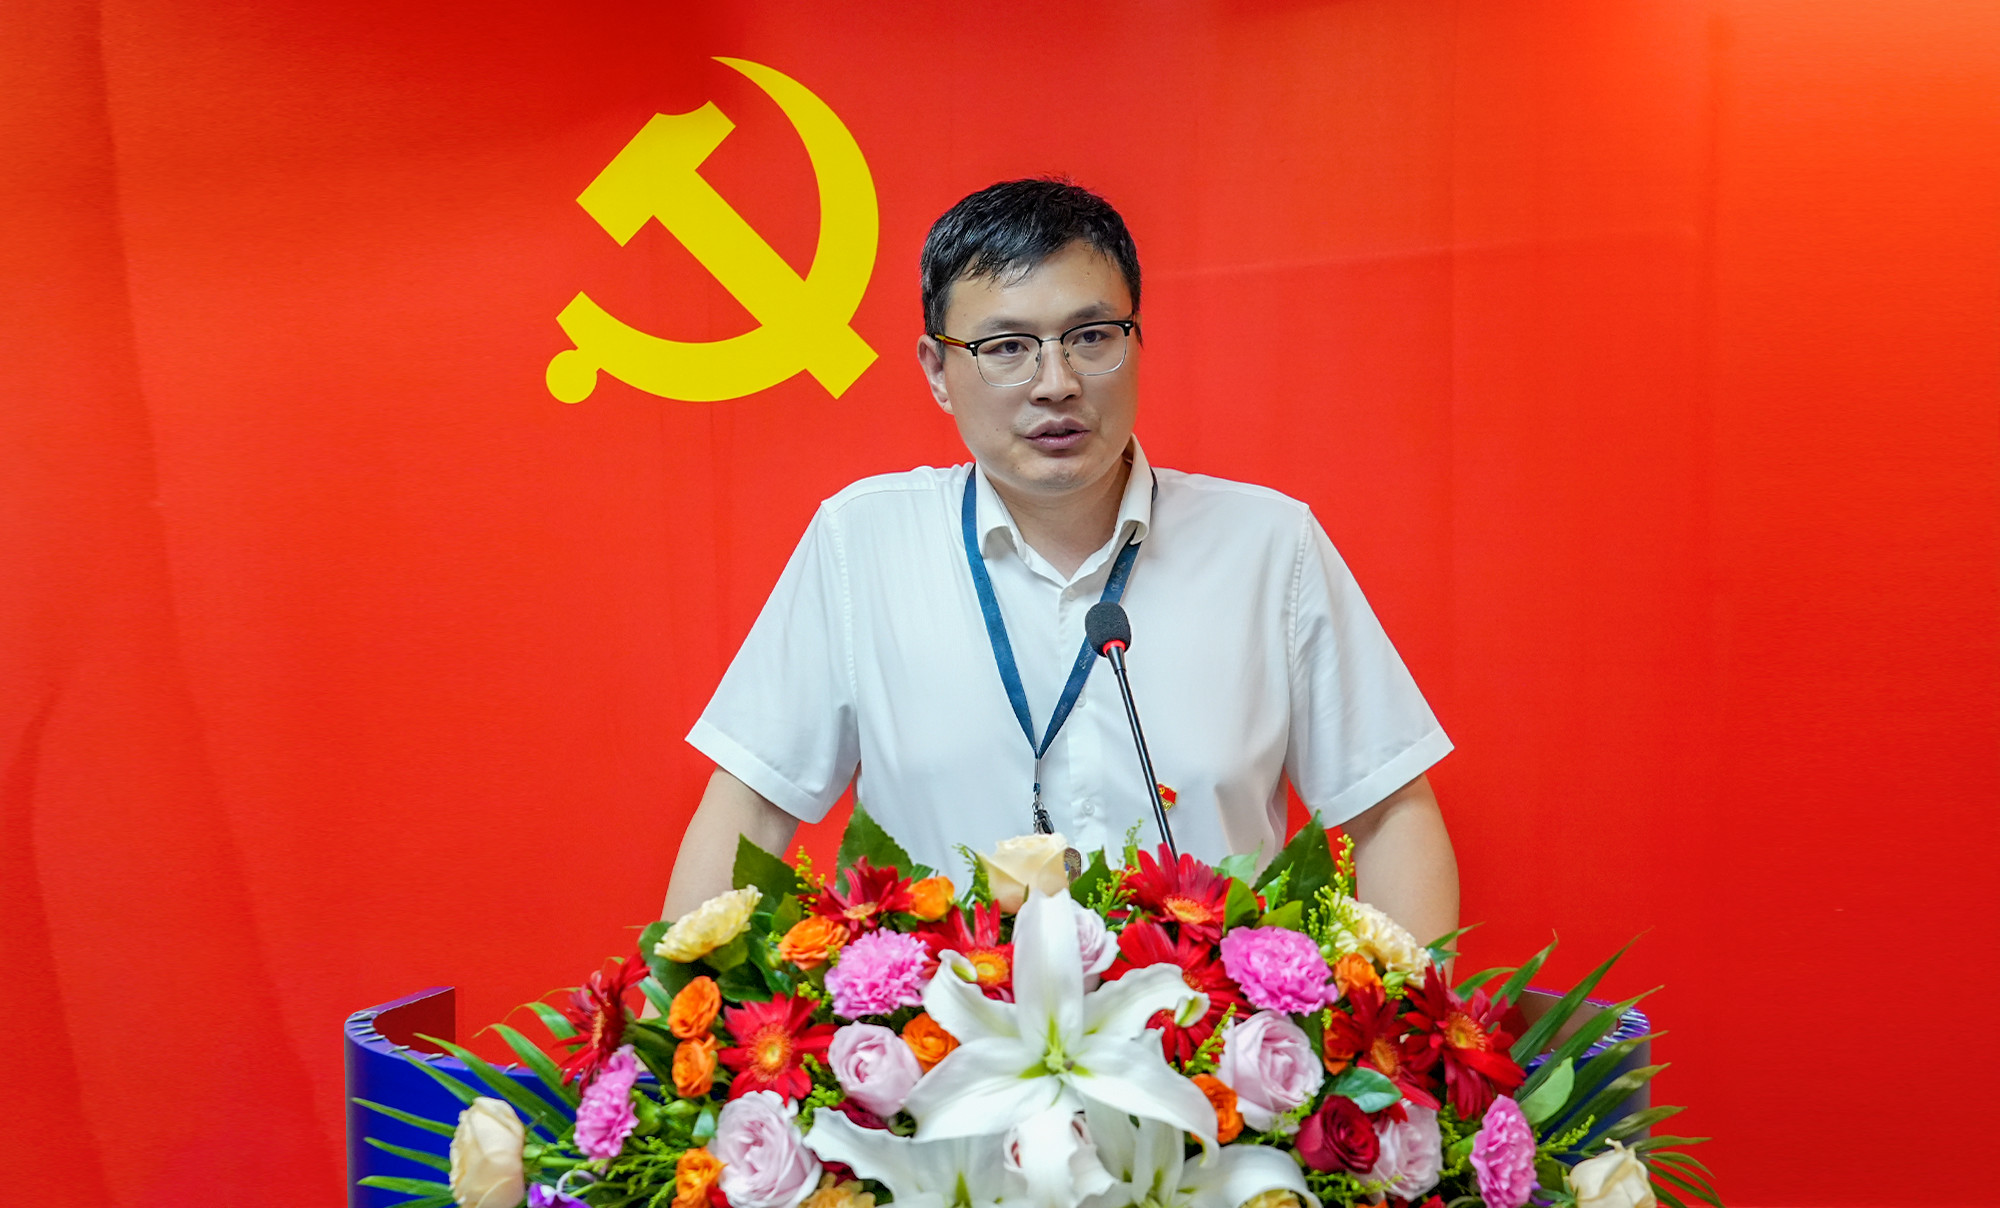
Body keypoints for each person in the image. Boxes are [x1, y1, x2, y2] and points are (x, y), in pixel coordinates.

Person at [662, 179, 1458, 944]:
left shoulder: (1268, 546)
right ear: (937, 371)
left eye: (1091, 337)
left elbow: (1390, 811)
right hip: (940, 1029)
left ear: (1137, 342)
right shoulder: (861, 543)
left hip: (1210, 1033)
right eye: (1007, 347)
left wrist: (1408, 1022)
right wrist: (683, 1016)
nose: (1056, 383)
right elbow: (750, 805)